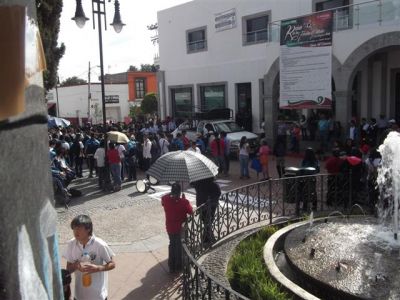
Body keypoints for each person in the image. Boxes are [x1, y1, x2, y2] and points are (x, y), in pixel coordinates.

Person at [63, 215, 115, 300]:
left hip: (98, 295)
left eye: (79, 228)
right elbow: (68, 269)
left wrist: (98, 268)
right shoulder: (71, 244)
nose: (75, 231)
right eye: (74, 228)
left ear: (88, 229)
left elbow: (112, 264)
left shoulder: (100, 244)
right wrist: (76, 265)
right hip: (79, 295)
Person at [161, 183, 193, 273]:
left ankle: (171, 265)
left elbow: (163, 200)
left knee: (172, 245)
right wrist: (183, 199)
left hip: (170, 227)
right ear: (179, 192)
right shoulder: (184, 202)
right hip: (180, 228)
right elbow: (191, 212)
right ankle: (179, 265)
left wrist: (171, 195)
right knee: (179, 246)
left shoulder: (165, 199)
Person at [191, 177, 221, 245]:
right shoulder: (213, 185)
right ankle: (208, 239)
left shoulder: (198, 183)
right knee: (208, 222)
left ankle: (207, 238)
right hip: (210, 206)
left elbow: (194, 185)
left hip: (201, 205)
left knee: (206, 222)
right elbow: (218, 193)